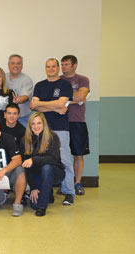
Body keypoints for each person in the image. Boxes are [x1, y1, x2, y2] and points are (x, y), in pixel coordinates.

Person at [30, 58, 75, 205]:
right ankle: (46, 192)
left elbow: (61, 103)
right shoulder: (40, 85)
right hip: (41, 130)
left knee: (65, 161)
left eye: (53, 66)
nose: (50, 69)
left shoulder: (64, 85)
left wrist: (42, 104)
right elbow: (33, 106)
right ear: (45, 68)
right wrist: (55, 107)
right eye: (48, 66)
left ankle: (69, 192)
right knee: (42, 161)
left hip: (60, 129)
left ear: (58, 68)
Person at [21, 112, 66, 216]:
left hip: (55, 172)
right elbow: (26, 167)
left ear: (44, 124)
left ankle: (42, 207)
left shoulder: (52, 137)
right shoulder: (25, 141)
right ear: (29, 126)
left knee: (46, 167)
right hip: (36, 173)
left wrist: (33, 160)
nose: (36, 126)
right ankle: (47, 192)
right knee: (33, 205)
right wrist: (33, 187)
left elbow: (53, 159)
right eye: (33, 124)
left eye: (39, 123)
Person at [61, 55, 90, 195]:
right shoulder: (58, 80)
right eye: (62, 64)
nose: (64, 67)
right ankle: (64, 183)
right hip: (60, 123)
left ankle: (77, 183)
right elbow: (56, 99)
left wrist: (64, 99)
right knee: (61, 155)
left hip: (77, 121)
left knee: (78, 154)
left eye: (66, 64)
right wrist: (74, 98)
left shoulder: (82, 79)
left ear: (74, 65)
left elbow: (81, 97)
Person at [6, 54, 34, 126]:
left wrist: (19, 100)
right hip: (6, 119)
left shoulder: (26, 80)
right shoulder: (3, 77)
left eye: (18, 63)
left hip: (22, 118)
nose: (15, 66)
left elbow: (25, 96)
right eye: (13, 63)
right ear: (8, 65)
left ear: (22, 65)